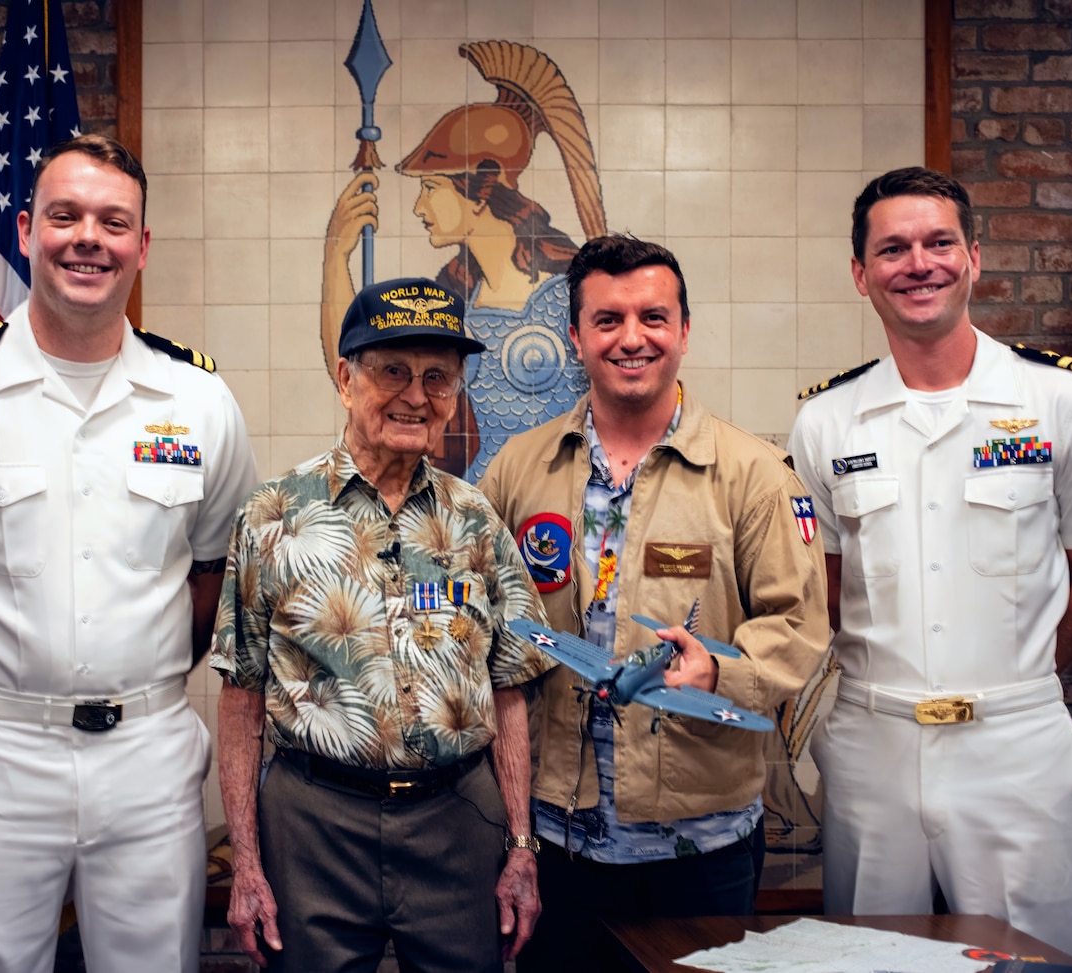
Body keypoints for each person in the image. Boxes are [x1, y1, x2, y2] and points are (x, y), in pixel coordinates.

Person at [0, 134, 259, 972]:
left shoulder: (198, 398)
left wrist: (149, 667)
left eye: (114, 222)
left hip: (146, 758)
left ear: (141, 247)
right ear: (28, 228)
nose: (88, 238)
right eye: (65, 216)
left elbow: (219, 568)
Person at [787, 166, 1072, 965]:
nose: (918, 263)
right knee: (870, 958)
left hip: (1015, 742)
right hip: (872, 743)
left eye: (938, 242)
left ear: (974, 257)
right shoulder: (823, 421)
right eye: (892, 248)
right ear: (861, 274)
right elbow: (832, 589)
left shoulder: (1066, 401)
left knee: (1038, 955)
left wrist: (1019, 682)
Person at [479, 235, 830, 971]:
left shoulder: (754, 473)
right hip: (556, 833)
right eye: (607, 320)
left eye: (653, 317)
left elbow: (799, 626)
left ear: (684, 331)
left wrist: (721, 673)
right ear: (576, 336)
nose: (631, 338)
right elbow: (483, 621)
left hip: (699, 840)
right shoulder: (519, 466)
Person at [213, 277, 554, 972]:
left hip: (457, 817)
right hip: (312, 823)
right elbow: (241, 698)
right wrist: (246, 862)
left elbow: (510, 689)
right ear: (345, 378)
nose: (416, 394)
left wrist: (521, 845)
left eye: (439, 376)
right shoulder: (271, 516)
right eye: (392, 369)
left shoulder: (475, 519)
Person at [322, 40, 605, 480]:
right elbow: (355, 363)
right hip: (471, 513)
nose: (420, 207)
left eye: (432, 187)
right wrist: (337, 256)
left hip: (557, 515)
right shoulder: (456, 301)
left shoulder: (569, 294)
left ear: (480, 190)